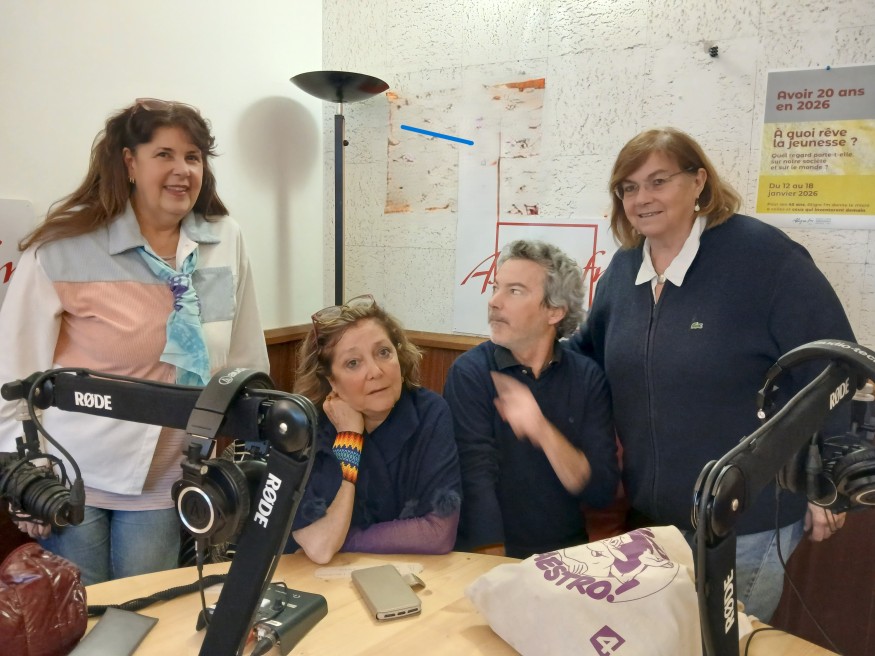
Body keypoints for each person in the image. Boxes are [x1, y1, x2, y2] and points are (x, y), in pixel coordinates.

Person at [568, 126, 854, 621]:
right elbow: (586, 356)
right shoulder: (623, 269)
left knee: (722, 644)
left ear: (698, 181)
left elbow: (835, 367)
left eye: (658, 181)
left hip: (748, 519)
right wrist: (520, 357)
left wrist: (828, 482)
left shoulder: (764, 258)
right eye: (629, 187)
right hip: (654, 520)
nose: (642, 198)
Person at [0, 98, 269, 585]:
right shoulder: (63, 247)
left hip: (169, 475)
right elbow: (12, 373)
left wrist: (251, 438)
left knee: (144, 609)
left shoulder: (224, 238)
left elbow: (244, 356)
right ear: (129, 162)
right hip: (71, 473)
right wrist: (25, 474)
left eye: (193, 156)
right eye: (164, 154)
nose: (183, 170)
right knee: (82, 613)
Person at [444, 239, 620, 559]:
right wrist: (496, 568)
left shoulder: (587, 377)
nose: (494, 301)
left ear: (554, 311)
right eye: (495, 288)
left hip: (567, 555)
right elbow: (474, 480)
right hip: (489, 555)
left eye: (514, 291)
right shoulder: (470, 372)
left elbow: (600, 490)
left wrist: (541, 429)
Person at [287, 295, 461, 564]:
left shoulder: (430, 412)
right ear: (331, 380)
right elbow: (320, 546)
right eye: (353, 363)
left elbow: (438, 532)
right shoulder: (309, 427)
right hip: (310, 578)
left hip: (406, 574)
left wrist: (346, 540)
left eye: (383, 353)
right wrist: (350, 439)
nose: (376, 371)